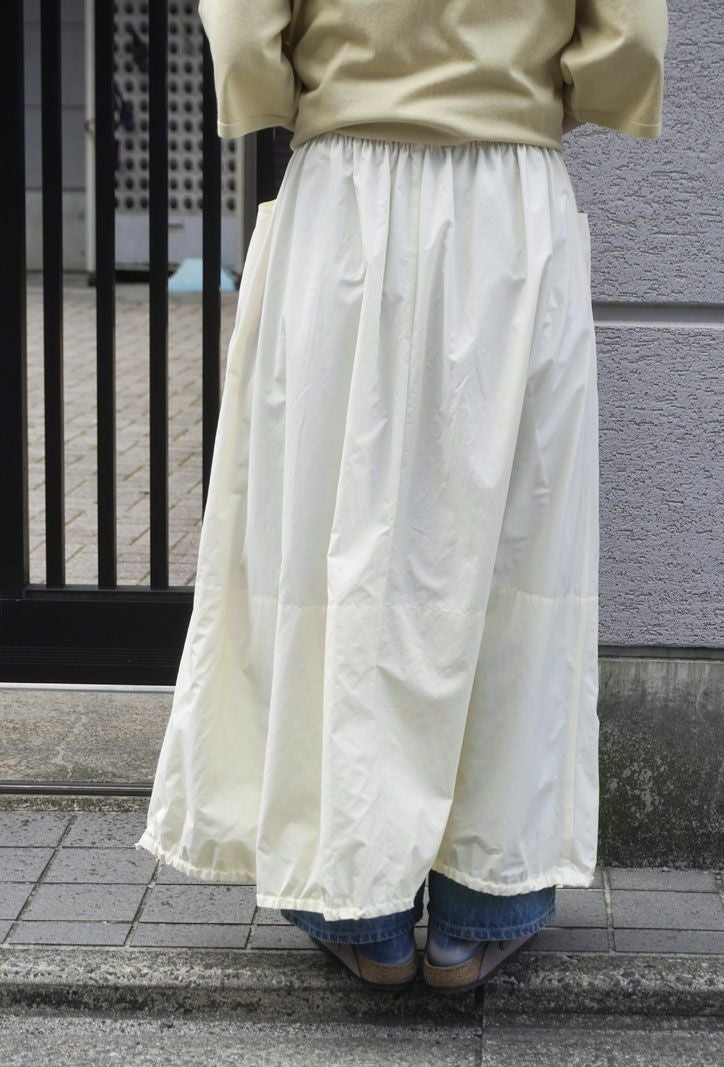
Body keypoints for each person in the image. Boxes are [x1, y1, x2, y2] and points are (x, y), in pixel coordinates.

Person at [136, 0, 669, 993]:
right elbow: (628, 39)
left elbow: (244, 31)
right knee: (512, 550)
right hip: (510, 203)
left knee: (332, 536)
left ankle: (361, 909)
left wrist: (314, 92)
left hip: (342, 194)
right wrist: (535, 96)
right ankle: (480, 912)